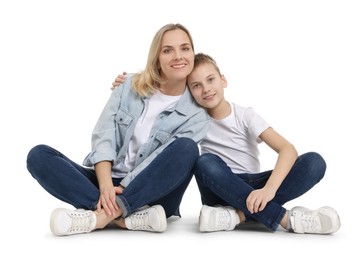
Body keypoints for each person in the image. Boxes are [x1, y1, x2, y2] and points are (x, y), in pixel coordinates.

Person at [112, 53, 341, 235]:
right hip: (218, 187)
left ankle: (237, 216)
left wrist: (268, 190)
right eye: (196, 86)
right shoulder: (191, 120)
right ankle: (285, 218)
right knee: (204, 162)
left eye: (210, 80)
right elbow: (162, 93)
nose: (206, 89)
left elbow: (287, 150)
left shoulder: (245, 116)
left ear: (223, 80)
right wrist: (130, 81)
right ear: (189, 92)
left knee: (314, 162)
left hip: (255, 188)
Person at [26, 23, 210, 236]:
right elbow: (104, 136)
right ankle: (127, 216)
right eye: (167, 50)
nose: (178, 56)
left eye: (185, 48)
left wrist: (123, 192)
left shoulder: (198, 115)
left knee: (187, 149)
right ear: (157, 57)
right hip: (108, 182)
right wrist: (105, 186)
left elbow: (161, 161)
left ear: (193, 53)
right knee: (39, 156)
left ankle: (100, 216)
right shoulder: (129, 85)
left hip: (152, 190)